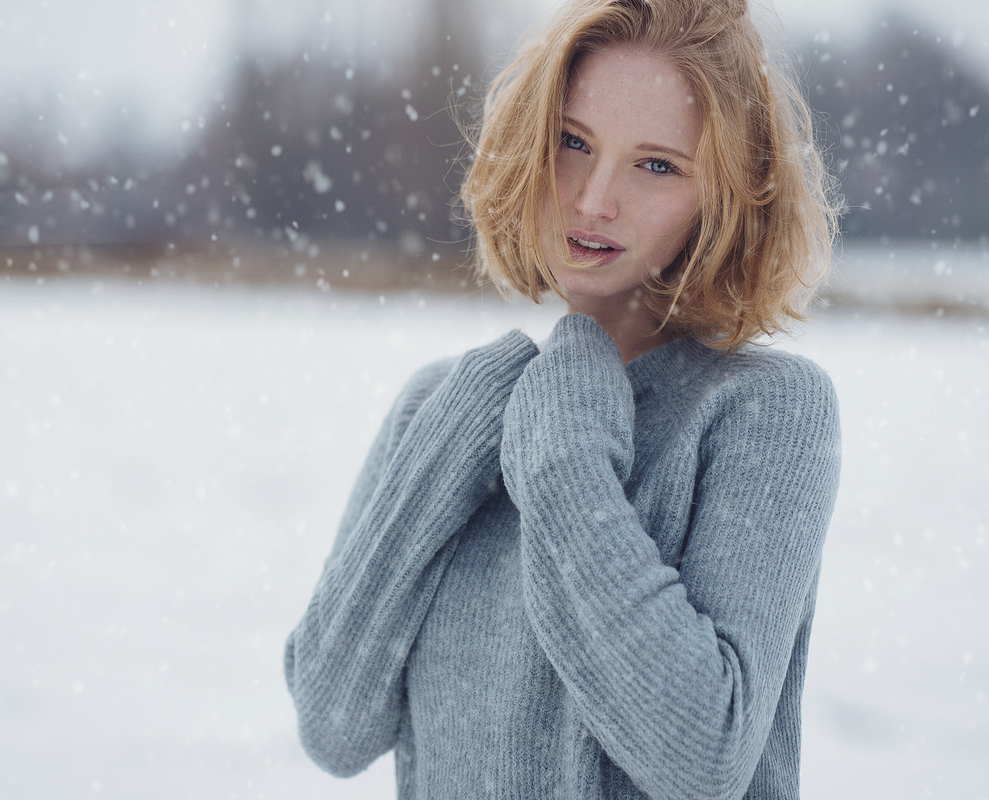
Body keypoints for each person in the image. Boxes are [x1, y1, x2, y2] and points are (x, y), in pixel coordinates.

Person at [284, 0, 843, 797]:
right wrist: (462, 430)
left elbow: (704, 757)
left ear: (721, 197)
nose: (592, 198)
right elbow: (333, 725)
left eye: (657, 165)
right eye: (572, 142)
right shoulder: (440, 407)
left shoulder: (762, 413)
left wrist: (564, 462)